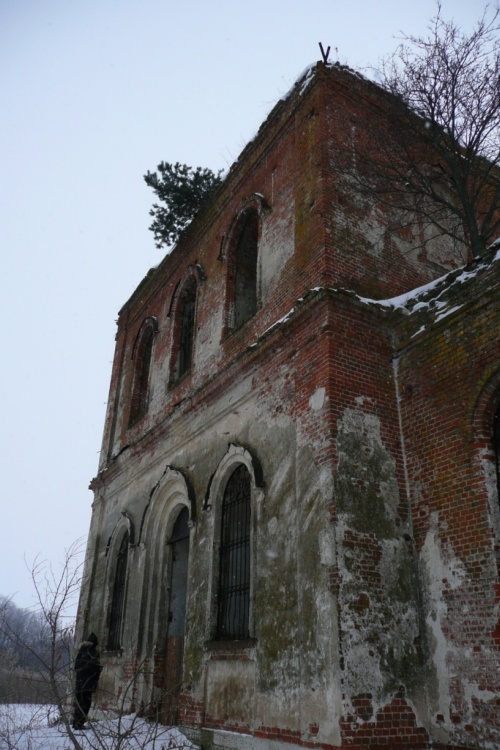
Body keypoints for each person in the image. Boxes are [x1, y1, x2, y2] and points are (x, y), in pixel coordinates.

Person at [72, 632, 102, 730]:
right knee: (85, 703)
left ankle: (76, 722)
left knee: (79, 703)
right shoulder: (94, 653)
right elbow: (95, 669)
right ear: (94, 643)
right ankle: (79, 723)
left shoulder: (81, 652)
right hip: (88, 683)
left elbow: (76, 667)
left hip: (79, 683)